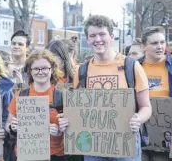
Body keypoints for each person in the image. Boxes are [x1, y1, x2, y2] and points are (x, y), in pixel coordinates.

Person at [61, 15, 152, 161]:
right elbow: (78, 110)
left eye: (102, 34)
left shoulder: (131, 66)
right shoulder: (82, 71)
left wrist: (138, 118)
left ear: (111, 36)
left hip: (125, 141)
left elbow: (146, 107)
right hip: (93, 145)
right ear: (88, 39)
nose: (98, 39)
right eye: (93, 35)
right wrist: (67, 119)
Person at [5, 50, 65, 161]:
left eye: (45, 68)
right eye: (36, 69)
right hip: (25, 154)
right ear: (30, 71)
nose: (40, 72)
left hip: (55, 155)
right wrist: (12, 127)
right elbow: (8, 124)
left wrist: (59, 132)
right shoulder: (21, 95)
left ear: (52, 69)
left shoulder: (61, 97)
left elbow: (70, 128)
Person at [139, 26, 172, 161]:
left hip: (166, 136)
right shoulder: (133, 67)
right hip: (139, 135)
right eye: (154, 43)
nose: (160, 46)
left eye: (162, 42)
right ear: (143, 46)